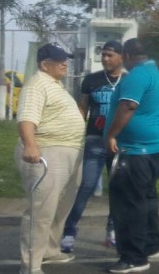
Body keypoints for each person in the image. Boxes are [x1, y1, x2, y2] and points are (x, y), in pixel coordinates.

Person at [14, 42, 85, 274]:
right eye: (59, 60)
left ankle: (50, 250)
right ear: (45, 65)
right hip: (47, 152)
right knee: (41, 210)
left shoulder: (55, 85)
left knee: (60, 207)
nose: (65, 63)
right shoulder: (37, 85)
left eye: (66, 59)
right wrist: (31, 145)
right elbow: (26, 119)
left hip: (69, 151)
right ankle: (31, 265)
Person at [105, 38, 159, 274]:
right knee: (147, 200)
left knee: (129, 205)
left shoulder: (136, 76)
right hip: (152, 149)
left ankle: (134, 257)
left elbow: (128, 107)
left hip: (134, 151)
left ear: (127, 56)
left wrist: (112, 134)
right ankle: (151, 246)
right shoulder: (156, 74)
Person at [60, 40, 123, 253]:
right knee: (86, 186)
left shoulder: (130, 81)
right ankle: (69, 230)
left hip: (120, 144)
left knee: (117, 190)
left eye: (109, 55)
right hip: (95, 141)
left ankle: (112, 230)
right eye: (103, 54)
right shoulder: (92, 80)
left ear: (121, 57)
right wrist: (78, 134)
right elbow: (83, 108)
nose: (105, 58)